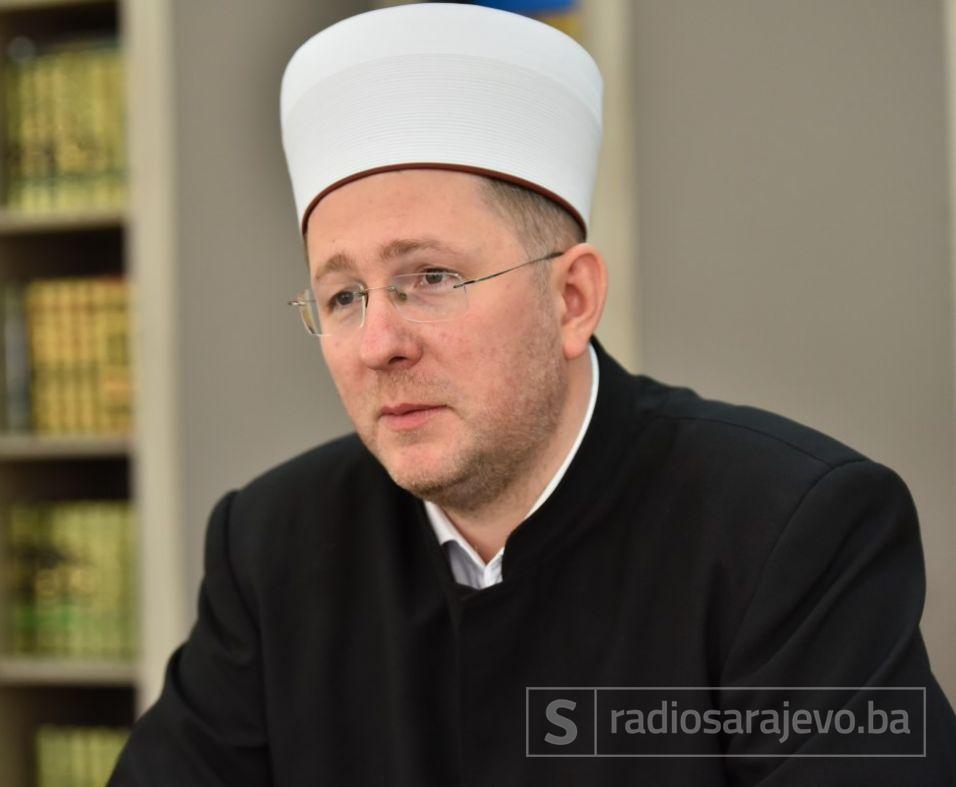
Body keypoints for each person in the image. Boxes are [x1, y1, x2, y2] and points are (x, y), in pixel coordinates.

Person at [110, 4, 956, 784]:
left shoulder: (791, 533)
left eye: (431, 277)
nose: (378, 343)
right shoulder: (273, 546)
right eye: (342, 296)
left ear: (572, 299)